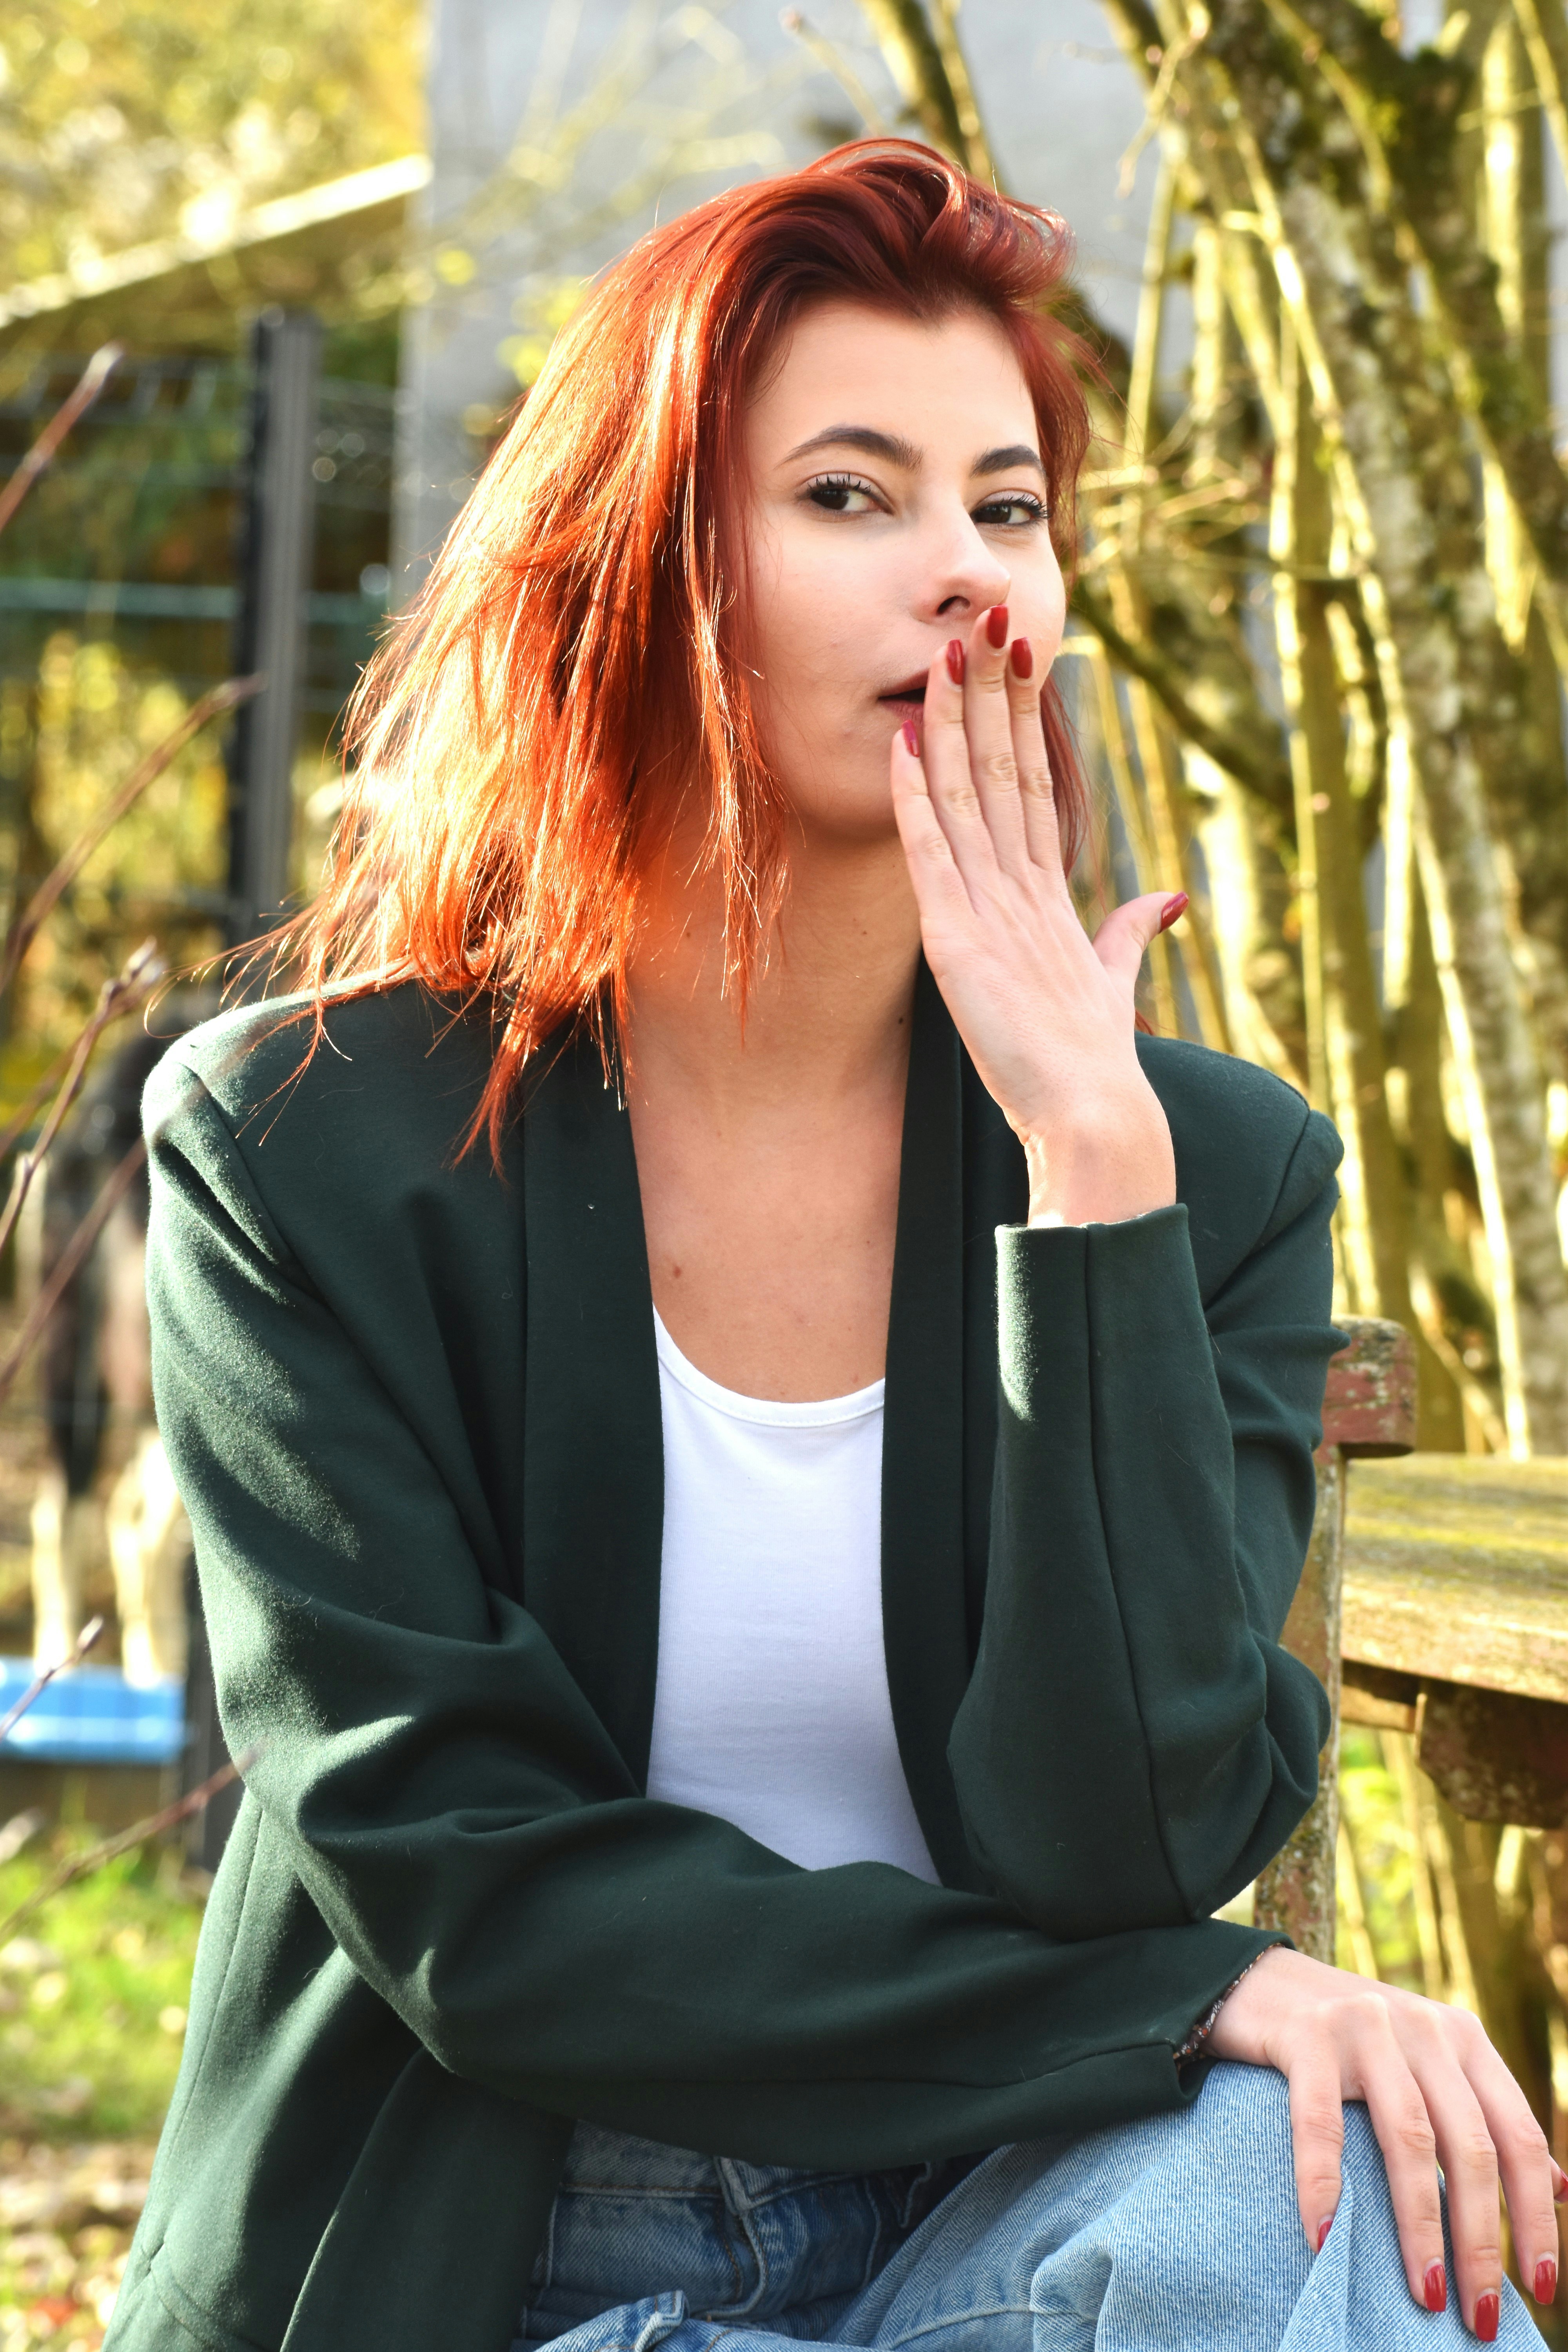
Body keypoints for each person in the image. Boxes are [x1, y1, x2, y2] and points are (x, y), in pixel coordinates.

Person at [107, 143, 1556, 2352]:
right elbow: (472, 1898)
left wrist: (1089, 1164)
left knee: (1316, 2214)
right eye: (853, 499)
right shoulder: (313, 1149)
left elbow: (1130, 1842)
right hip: (496, 2257)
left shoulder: (1208, 1165)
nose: (967, 581)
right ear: (641, 569)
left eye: (1008, 508)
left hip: (1013, 2211)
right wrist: (1188, 2007)